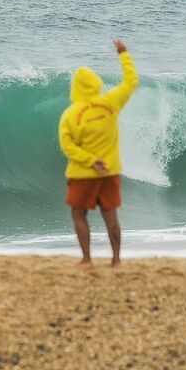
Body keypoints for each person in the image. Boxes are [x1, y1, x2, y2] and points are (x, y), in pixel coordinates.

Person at [58, 39, 138, 269]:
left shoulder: (70, 115)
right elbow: (131, 82)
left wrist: (91, 161)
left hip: (83, 173)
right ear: (96, 84)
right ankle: (116, 260)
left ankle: (87, 259)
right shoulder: (110, 103)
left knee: (78, 214)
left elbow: (67, 146)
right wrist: (123, 53)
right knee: (111, 216)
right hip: (109, 172)